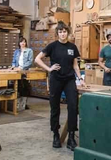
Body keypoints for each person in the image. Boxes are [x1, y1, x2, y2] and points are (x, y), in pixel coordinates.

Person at [35, 21, 85, 150]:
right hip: (56, 80)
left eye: (65, 32)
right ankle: (56, 135)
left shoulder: (72, 47)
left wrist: (80, 79)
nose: (63, 34)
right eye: (60, 32)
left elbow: (75, 65)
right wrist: (49, 68)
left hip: (69, 80)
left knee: (73, 106)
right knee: (55, 107)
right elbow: (37, 59)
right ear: (57, 34)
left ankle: (72, 137)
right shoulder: (52, 46)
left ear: (68, 33)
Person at [12, 37, 34, 111]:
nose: (23, 43)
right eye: (21, 42)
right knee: (16, 85)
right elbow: (14, 61)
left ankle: (23, 104)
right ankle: (16, 103)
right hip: (16, 70)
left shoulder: (29, 51)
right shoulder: (16, 51)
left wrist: (22, 68)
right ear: (19, 43)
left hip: (24, 70)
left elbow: (30, 62)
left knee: (24, 86)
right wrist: (14, 67)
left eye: (24, 42)